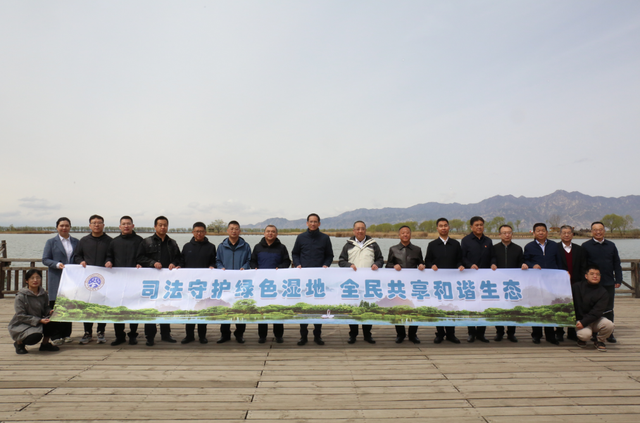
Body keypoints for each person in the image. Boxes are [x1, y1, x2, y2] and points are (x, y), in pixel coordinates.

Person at [136, 216, 181, 346]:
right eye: (160, 225)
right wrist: (152, 263)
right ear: (155, 227)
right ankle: (149, 336)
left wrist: (174, 263)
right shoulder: (146, 242)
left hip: (167, 282)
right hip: (151, 282)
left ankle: (166, 334)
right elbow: (139, 258)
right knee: (150, 308)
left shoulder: (172, 243)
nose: (163, 227)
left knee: (165, 307)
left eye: (165, 225)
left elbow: (179, 258)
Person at [338, 220, 384, 344]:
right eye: (357, 229)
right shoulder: (348, 245)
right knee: (353, 309)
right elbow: (341, 261)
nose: (360, 231)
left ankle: (367, 334)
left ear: (365, 230)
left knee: (368, 309)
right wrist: (349, 265)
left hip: (368, 284)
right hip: (352, 284)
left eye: (362, 229)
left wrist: (376, 264)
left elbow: (380, 259)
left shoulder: (373, 244)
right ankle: (352, 334)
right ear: (354, 231)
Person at [292, 213, 334, 346]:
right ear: (307, 223)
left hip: (319, 279)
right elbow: (295, 253)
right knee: (303, 307)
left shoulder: (325, 238)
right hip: (304, 278)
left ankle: (317, 336)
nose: (313, 224)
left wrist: (326, 265)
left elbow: (329, 255)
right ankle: (303, 336)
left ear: (319, 224)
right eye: (311, 221)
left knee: (318, 307)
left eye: (315, 222)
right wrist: (297, 263)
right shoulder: (301, 237)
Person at [74, 215, 112, 345]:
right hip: (88, 279)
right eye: (94, 223)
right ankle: (87, 332)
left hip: (105, 278)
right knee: (88, 305)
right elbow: (76, 256)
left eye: (99, 223)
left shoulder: (110, 241)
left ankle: (101, 332)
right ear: (90, 225)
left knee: (102, 305)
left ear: (103, 225)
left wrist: (109, 261)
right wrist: (81, 261)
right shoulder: (84, 241)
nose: (96, 225)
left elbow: (112, 256)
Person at [105, 215, 143, 346]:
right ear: (120, 226)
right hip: (118, 280)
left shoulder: (140, 241)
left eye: (128, 223)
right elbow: (109, 256)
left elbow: (143, 257)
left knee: (133, 308)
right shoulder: (114, 242)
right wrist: (108, 261)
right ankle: (119, 335)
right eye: (123, 224)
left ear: (133, 226)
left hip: (135, 280)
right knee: (118, 308)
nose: (126, 226)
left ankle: (133, 334)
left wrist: (140, 264)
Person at [582, 221, 622, 343]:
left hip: (608, 282)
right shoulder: (586, 246)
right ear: (591, 231)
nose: (598, 232)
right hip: (592, 283)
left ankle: (609, 333)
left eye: (600, 229)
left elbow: (616, 263)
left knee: (609, 308)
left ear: (604, 231)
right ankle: (594, 332)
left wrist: (619, 279)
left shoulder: (611, 245)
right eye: (595, 230)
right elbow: (583, 265)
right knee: (593, 307)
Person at [425, 218, 464, 344]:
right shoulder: (432, 245)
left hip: (452, 282)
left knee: (451, 308)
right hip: (437, 283)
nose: (443, 228)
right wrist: (431, 266)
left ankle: (451, 334)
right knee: (439, 307)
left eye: (445, 225)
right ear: (437, 228)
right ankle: (440, 333)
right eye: (441, 226)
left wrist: (460, 266)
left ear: (449, 227)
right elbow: (427, 261)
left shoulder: (456, 244)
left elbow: (460, 260)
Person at [250, 224, 291, 343]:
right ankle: (262, 335)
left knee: (277, 309)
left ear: (276, 234)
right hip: (261, 284)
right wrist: (255, 268)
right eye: (268, 231)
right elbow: (252, 261)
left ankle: (278, 335)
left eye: (273, 231)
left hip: (277, 283)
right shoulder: (258, 247)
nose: (270, 233)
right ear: (264, 233)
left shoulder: (281, 247)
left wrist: (281, 267)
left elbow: (287, 261)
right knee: (262, 309)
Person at [524, 222, 562, 345]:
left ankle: (551, 335)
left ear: (547, 232)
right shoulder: (529, 246)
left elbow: (559, 261)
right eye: (538, 230)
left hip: (551, 282)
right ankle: (536, 335)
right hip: (536, 282)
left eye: (543, 230)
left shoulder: (554, 246)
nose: (541, 232)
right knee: (537, 307)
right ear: (534, 233)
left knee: (550, 307)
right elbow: (525, 261)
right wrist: (532, 265)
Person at [386, 225, 425, 344]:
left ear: (410, 235)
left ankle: (413, 334)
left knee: (415, 308)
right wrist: (393, 266)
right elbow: (387, 266)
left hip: (413, 285)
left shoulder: (417, 249)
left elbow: (421, 263)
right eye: (403, 233)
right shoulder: (393, 249)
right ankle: (400, 334)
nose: (405, 235)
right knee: (399, 309)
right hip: (399, 285)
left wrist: (422, 266)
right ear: (399, 235)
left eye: (407, 233)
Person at [42, 217, 78, 345]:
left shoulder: (76, 242)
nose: (64, 228)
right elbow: (45, 259)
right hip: (56, 278)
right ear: (57, 227)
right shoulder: (51, 242)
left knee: (68, 306)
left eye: (67, 225)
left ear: (70, 227)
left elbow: (78, 258)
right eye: (61, 225)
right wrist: (57, 264)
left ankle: (66, 334)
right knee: (56, 307)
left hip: (71, 280)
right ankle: (55, 336)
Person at [9, 269, 62, 354]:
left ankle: (45, 344)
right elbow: (20, 315)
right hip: (23, 322)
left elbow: (45, 307)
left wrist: (49, 311)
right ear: (27, 280)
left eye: (38, 278)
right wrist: (39, 320)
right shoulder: (21, 296)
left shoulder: (43, 293)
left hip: (39, 319)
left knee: (54, 319)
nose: (35, 280)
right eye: (32, 278)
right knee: (35, 337)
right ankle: (19, 343)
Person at [461, 216, 496, 343]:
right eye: (476, 225)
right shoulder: (465, 240)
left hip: (485, 279)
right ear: (471, 227)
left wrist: (493, 264)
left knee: (484, 305)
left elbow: (493, 256)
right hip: (470, 277)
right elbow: (463, 258)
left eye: (481, 224)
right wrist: (470, 265)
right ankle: (471, 332)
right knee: (471, 304)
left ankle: (481, 333)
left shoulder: (488, 241)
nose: (479, 227)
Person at [181, 222, 217, 344]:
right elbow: (182, 262)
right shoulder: (186, 247)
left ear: (205, 232)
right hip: (189, 284)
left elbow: (214, 262)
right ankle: (189, 335)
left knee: (203, 309)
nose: (199, 233)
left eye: (201, 231)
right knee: (189, 310)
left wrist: (212, 266)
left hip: (204, 284)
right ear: (193, 232)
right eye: (197, 231)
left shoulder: (211, 247)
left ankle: (202, 336)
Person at [216, 220, 251, 344]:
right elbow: (217, 260)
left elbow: (249, 260)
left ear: (239, 231)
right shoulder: (221, 246)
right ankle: (224, 334)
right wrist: (221, 268)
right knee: (224, 307)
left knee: (240, 307)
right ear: (227, 231)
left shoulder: (245, 246)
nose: (234, 231)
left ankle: (239, 334)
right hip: (225, 282)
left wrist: (245, 268)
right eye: (231, 228)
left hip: (241, 282)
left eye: (236, 229)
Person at [492, 224, 528, 342]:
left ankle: (511, 333)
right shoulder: (494, 248)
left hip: (513, 284)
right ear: (499, 235)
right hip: (498, 283)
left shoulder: (518, 249)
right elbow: (491, 261)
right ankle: (499, 331)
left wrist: (523, 265)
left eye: (509, 233)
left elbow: (521, 262)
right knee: (499, 308)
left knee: (513, 308)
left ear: (512, 234)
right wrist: (492, 265)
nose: (507, 235)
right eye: (504, 233)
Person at [556, 225, 587, 342]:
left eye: (569, 233)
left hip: (576, 284)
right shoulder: (555, 248)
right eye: (564, 233)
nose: (566, 235)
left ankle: (572, 331)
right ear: (560, 234)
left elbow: (584, 266)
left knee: (575, 308)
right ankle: (559, 332)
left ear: (573, 234)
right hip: (560, 285)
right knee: (560, 308)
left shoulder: (580, 249)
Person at [572, 265, 615, 352]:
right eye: (592, 274)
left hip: (595, 319)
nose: (595, 276)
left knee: (610, 325)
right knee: (585, 335)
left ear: (600, 277)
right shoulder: (576, 287)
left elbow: (597, 311)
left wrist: (584, 322)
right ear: (586, 276)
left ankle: (600, 341)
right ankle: (581, 339)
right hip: (580, 319)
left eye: (597, 274)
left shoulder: (603, 292)